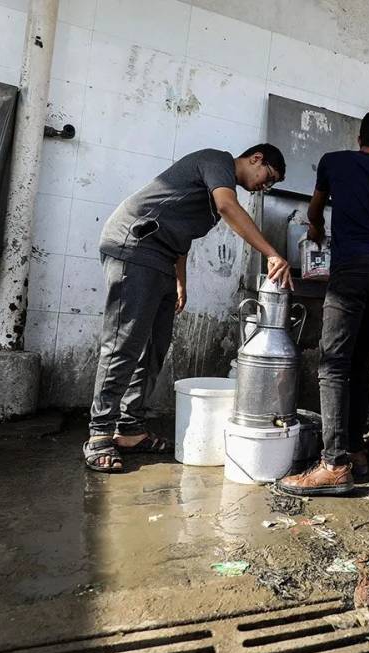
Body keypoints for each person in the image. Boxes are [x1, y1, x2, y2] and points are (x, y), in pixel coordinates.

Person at [83, 144, 290, 473]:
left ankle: (129, 428)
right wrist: (271, 253)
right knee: (124, 343)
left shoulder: (211, 191)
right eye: (268, 177)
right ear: (256, 159)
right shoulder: (217, 161)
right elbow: (227, 206)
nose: (264, 186)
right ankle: (99, 434)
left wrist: (181, 281)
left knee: (154, 348)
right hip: (135, 247)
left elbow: (183, 235)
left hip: (162, 259)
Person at [277, 110, 369, 496]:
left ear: (359, 137)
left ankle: (334, 464)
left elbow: (315, 210)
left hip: (352, 268)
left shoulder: (334, 162)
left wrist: (316, 228)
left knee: (333, 364)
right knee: (360, 364)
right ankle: (353, 448)